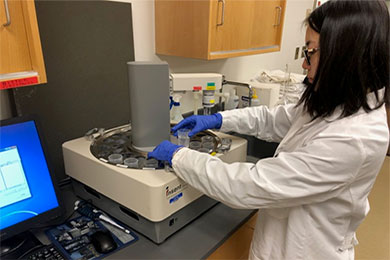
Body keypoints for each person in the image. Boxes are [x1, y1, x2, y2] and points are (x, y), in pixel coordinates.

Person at [148, 0, 390, 259]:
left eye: (311, 52)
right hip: (282, 235)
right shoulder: (339, 100)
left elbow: (251, 185)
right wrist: (219, 119)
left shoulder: (355, 138)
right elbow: (273, 119)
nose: (304, 64)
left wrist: (179, 156)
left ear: (344, 56)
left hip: (305, 250)